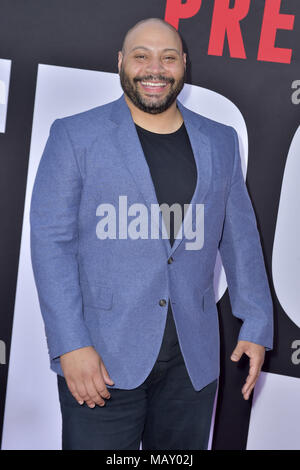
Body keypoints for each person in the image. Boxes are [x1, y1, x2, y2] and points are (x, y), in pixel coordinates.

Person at [30, 18, 273, 450]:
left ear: (184, 65)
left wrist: (255, 321)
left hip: (192, 362)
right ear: (122, 62)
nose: (154, 68)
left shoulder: (220, 141)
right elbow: (52, 245)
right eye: (141, 56)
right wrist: (71, 345)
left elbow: (240, 238)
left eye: (168, 57)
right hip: (101, 358)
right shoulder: (75, 136)